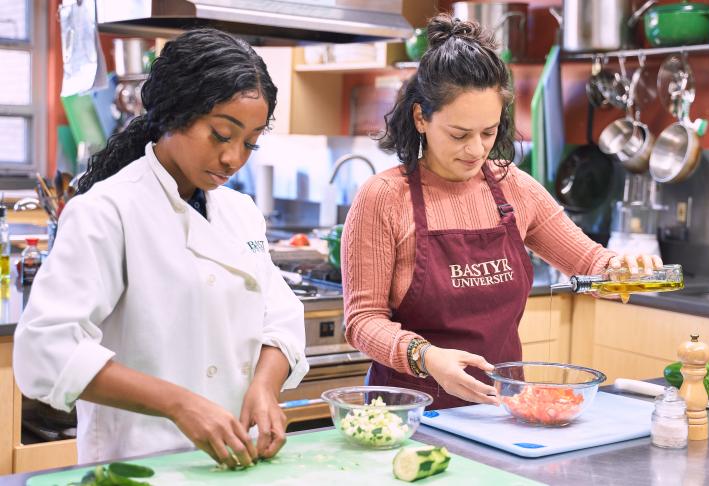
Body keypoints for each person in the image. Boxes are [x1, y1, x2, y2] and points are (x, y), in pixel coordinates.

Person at [13, 29, 308, 467]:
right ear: (175, 113)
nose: (234, 159)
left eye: (249, 142)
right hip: (141, 462)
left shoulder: (240, 211)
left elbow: (280, 317)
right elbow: (44, 351)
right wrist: (179, 404)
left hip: (236, 462)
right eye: (221, 134)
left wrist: (265, 387)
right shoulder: (107, 210)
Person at [341, 14, 662, 410]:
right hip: (408, 414)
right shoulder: (384, 197)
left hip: (502, 410)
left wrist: (625, 271)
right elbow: (361, 321)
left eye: (489, 133)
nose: (476, 150)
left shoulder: (513, 187)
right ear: (421, 117)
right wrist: (426, 357)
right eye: (459, 135)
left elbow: (591, 262)